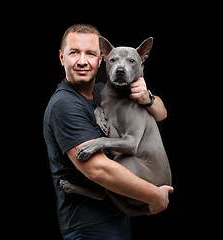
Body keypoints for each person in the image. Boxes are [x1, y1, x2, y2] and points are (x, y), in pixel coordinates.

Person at [43, 23, 173, 240]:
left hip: (114, 214)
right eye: (74, 52)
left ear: (99, 59)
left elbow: (161, 114)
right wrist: (155, 196)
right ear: (61, 57)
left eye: (90, 54)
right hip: (89, 225)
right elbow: (98, 171)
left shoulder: (100, 93)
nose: (83, 61)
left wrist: (147, 97)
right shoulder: (65, 105)